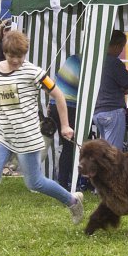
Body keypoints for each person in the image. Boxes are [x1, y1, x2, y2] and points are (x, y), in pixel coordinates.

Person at [0, 30, 84, 238]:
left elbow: (58, 95)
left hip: (28, 136)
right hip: (3, 134)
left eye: (20, 56)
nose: (16, 60)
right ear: (5, 53)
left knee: (34, 182)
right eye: (12, 56)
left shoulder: (34, 73)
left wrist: (65, 125)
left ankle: (72, 201)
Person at [92, 30, 128, 150]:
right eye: (121, 47)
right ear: (116, 46)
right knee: (113, 154)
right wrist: (121, 89)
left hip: (97, 112)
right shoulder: (114, 63)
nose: (121, 51)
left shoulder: (95, 61)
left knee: (105, 152)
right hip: (113, 111)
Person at [48, 54, 80, 190]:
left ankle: (63, 181)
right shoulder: (85, 62)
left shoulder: (73, 58)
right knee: (70, 147)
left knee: (66, 145)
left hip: (54, 103)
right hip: (68, 105)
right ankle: (66, 183)